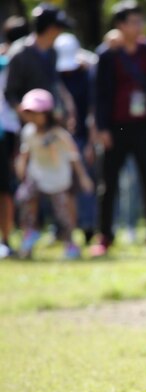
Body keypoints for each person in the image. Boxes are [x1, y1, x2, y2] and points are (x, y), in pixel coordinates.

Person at [91, 0, 146, 256]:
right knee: (108, 184)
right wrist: (101, 127)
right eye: (133, 21)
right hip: (115, 127)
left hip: (144, 126)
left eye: (140, 20)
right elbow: (99, 94)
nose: (139, 26)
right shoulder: (107, 54)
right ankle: (105, 236)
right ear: (120, 25)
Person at [14, 89, 93, 259]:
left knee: (64, 214)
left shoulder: (59, 134)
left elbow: (74, 156)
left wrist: (83, 177)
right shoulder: (28, 132)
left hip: (58, 179)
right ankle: (30, 233)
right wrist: (21, 167)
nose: (33, 118)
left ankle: (70, 244)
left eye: (36, 113)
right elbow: (25, 153)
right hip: (37, 175)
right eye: (29, 113)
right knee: (24, 198)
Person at [54, 32, 98, 244]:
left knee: (85, 183)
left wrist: (91, 142)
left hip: (81, 137)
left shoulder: (87, 75)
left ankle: (88, 227)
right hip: (58, 140)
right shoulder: (53, 75)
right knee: (59, 185)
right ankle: (61, 228)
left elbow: (91, 110)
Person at [4, 4, 75, 129]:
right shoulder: (20, 54)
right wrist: (28, 117)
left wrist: (66, 108)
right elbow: (10, 92)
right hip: (27, 127)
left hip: (50, 122)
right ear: (50, 29)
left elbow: (54, 82)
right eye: (58, 28)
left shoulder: (52, 52)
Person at [0, 17, 30, 257]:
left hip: (10, 131)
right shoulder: (17, 60)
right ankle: (7, 238)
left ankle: (8, 238)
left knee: (9, 187)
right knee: (7, 188)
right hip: (9, 131)